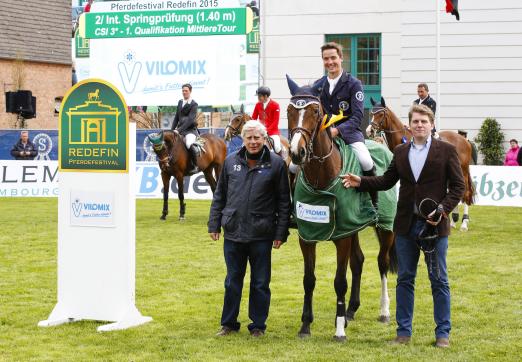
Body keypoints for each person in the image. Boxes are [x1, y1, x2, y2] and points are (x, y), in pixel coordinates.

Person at [341, 104, 465, 348]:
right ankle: (403, 332)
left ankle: (443, 334)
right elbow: (386, 181)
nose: (419, 125)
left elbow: (458, 188)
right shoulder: (400, 151)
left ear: (431, 124)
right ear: (409, 125)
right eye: (415, 121)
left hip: (434, 227)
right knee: (405, 279)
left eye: (424, 121)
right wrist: (361, 181)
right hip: (406, 226)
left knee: (438, 280)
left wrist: (442, 210)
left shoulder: (448, 151)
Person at [208, 120, 290, 338]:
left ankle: (258, 326)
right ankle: (228, 324)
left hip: (262, 234)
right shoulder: (229, 161)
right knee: (232, 281)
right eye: (249, 138)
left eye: (257, 138)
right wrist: (214, 223)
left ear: (264, 139)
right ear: (242, 139)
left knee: (260, 283)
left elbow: (284, 202)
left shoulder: (276, 164)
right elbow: (220, 196)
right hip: (233, 232)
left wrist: (281, 233)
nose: (253, 142)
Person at [314, 42, 378, 208]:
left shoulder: (354, 83)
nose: (330, 62)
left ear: (341, 58)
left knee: (366, 162)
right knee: (294, 165)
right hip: (323, 135)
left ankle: (373, 202)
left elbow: (357, 116)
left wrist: (337, 131)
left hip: (349, 134)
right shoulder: (318, 85)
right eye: (326, 59)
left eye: (333, 57)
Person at [171, 83, 199, 173]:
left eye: (186, 91)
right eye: (183, 91)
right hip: (180, 130)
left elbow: (190, 120)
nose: (184, 92)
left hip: (190, 131)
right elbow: (176, 118)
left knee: (188, 144)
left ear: (190, 91)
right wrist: (172, 130)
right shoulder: (180, 102)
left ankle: (195, 165)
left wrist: (178, 130)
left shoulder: (194, 104)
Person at [251, 86, 282, 154]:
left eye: (259, 96)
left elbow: (275, 122)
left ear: (265, 96)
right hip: (260, 131)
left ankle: (280, 161)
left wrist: (266, 130)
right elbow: (254, 118)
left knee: (277, 147)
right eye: (258, 96)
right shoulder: (258, 105)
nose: (258, 98)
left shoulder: (275, 105)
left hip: (272, 132)